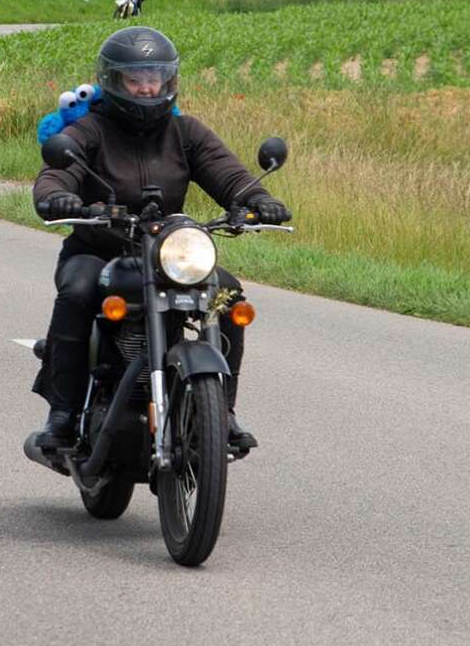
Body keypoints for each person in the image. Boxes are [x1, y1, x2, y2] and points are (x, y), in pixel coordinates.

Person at [28, 26, 291, 451]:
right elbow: (58, 172)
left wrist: (259, 199)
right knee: (77, 292)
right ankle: (63, 412)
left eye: (156, 77)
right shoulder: (90, 131)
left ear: (170, 79)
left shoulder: (186, 132)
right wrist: (58, 197)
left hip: (170, 254)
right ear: (113, 80)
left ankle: (221, 408)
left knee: (227, 294)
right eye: (136, 78)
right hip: (100, 249)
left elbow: (228, 174)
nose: (147, 87)